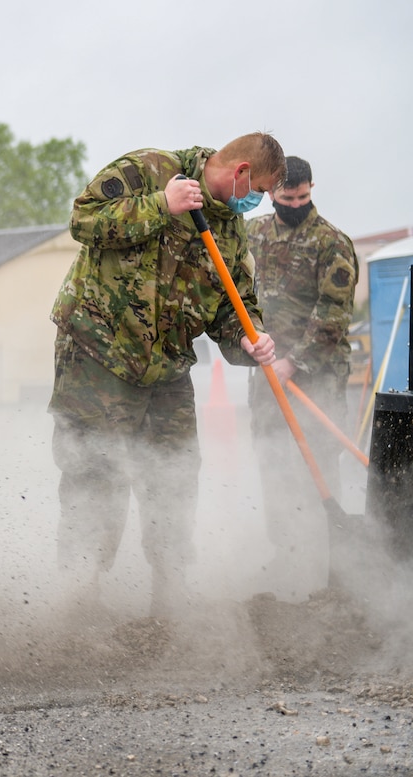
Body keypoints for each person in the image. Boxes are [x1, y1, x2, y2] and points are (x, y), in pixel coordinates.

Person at [49, 132, 286, 616]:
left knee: (175, 476)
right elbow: (84, 220)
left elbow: (234, 308)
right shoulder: (151, 170)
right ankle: (78, 600)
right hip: (99, 355)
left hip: (167, 367)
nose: (256, 201)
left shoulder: (231, 233)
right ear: (240, 172)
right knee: (97, 475)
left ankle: (170, 602)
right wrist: (162, 204)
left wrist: (248, 339)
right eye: (258, 188)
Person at [246, 156, 358, 596]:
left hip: (316, 378)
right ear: (271, 193)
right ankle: (286, 555)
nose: (297, 204)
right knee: (273, 463)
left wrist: (296, 361)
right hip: (268, 376)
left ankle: (326, 564)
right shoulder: (252, 235)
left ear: (312, 189)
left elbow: (333, 315)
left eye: (304, 196)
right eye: (287, 197)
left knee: (317, 463)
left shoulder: (331, 242)